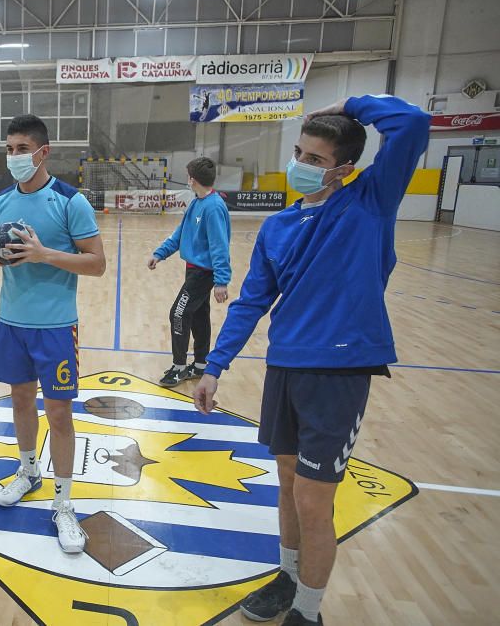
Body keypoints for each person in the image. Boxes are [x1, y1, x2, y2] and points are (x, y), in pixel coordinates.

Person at [192, 95, 430, 626]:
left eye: (315, 159)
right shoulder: (277, 227)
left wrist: (349, 103)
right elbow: (252, 300)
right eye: (298, 153)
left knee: (314, 501)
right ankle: (288, 575)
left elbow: (412, 122)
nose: (301, 165)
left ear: (346, 169)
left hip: (338, 374)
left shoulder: (371, 200)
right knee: (287, 486)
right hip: (286, 368)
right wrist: (214, 366)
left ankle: (309, 609)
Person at [0, 114, 106, 554]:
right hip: (11, 322)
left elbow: (97, 263)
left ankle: (65, 504)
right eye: (9, 149)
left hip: (55, 327)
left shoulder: (70, 201)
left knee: (60, 414)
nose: (14, 156)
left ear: (43, 152)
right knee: (18, 400)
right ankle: (28, 472)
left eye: (22, 148)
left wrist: (42, 253)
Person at [148, 157, 231, 387]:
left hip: (203, 274)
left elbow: (219, 246)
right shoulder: (197, 203)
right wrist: (160, 253)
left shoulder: (213, 207)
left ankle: (179, 367)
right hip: (193, 270)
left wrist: (221, 281)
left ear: (192, 179)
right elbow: (180, 233)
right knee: (198, 315)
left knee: (178, 313)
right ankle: (201, 364)